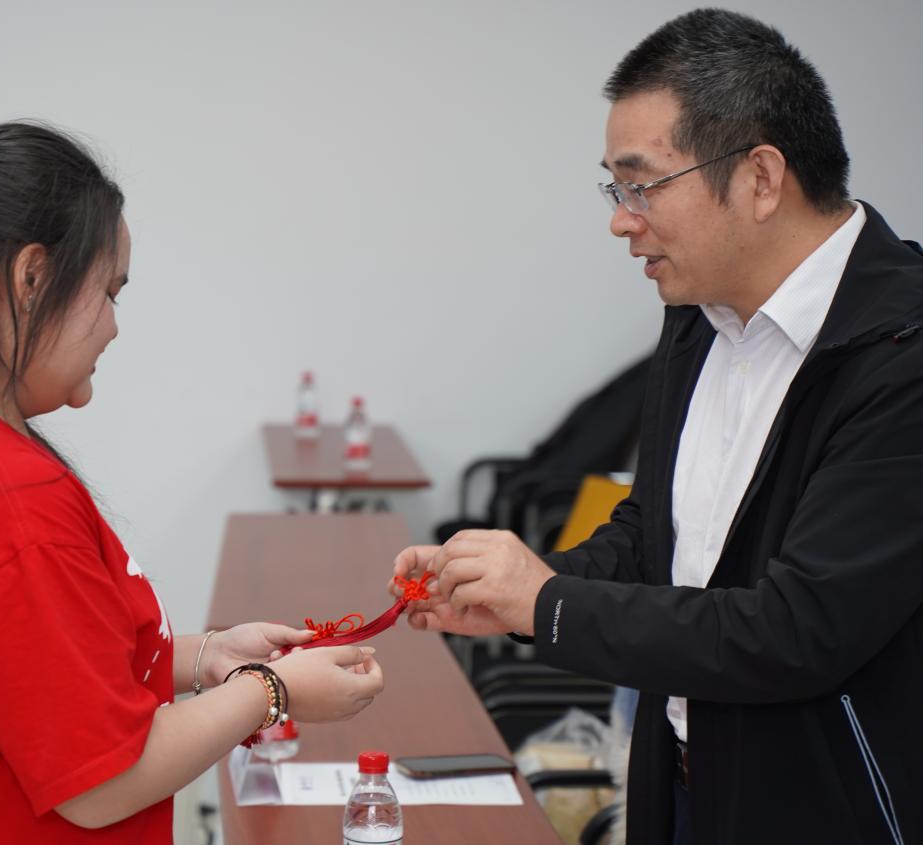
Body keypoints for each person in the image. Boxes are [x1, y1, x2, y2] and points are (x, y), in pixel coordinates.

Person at [391, 9, 923, 844]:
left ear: (759, 177)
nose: (621, 219)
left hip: (822, 808)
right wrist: (518, 590)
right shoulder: (696, 315)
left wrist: (550, 603)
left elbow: (796, 630)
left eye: (642, 185)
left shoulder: (900, 352)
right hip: (676, 778)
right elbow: (654, 537)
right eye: (615, 188)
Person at [0, 122, 384, 844]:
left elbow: (24, 674)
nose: (113, 326)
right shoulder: (11, 504)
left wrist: (205, 655)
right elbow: (101, 782)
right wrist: (272, 692)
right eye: (109, 292)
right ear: (31, 279)